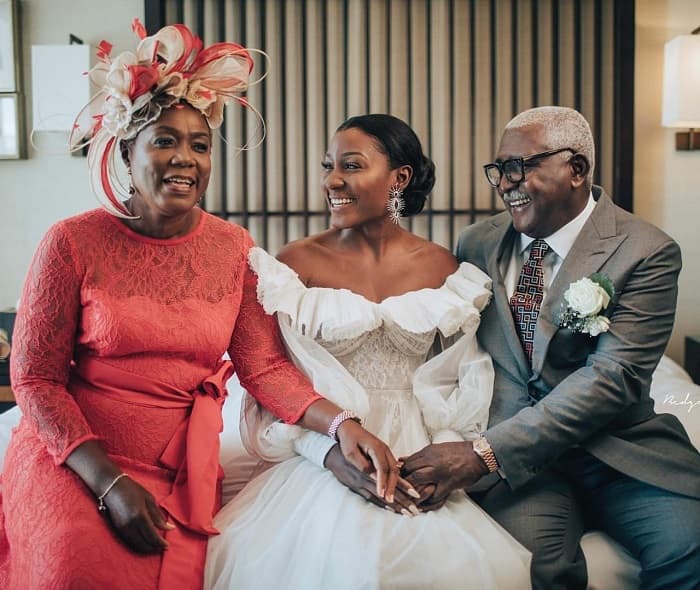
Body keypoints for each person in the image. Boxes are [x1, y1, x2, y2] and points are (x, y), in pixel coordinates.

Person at [0, 22, 400, 590]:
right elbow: (35, 379)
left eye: (199, 144)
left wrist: (339, 424)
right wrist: (109, 482)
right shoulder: (71, 241)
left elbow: (262, 368)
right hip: (76, 462)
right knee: (73, 570)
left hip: (176, 470)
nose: (184, 158)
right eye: (164, 140)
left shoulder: (235, 248)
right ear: (126, 152)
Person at [204, 114, 531, 589]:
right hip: (323, 450)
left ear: (399, 178)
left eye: (351, 166)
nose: (332, 180)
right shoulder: (294, 263)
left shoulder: (444, 267)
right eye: (328, 166)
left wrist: (441, 456)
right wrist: (328, 450)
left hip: (417, 454)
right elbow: (271, 381)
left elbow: (465, 380)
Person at [400, 106, 700, 589]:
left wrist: (482, 454)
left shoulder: (647, 250)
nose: (505, 182)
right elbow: (449, 349)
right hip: (525, 473)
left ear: (576, 169)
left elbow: (613, 378)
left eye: (521, 166)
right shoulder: (476, 242)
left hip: (618, 451)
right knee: (529, 566)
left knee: (689, 549)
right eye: (500, 169)